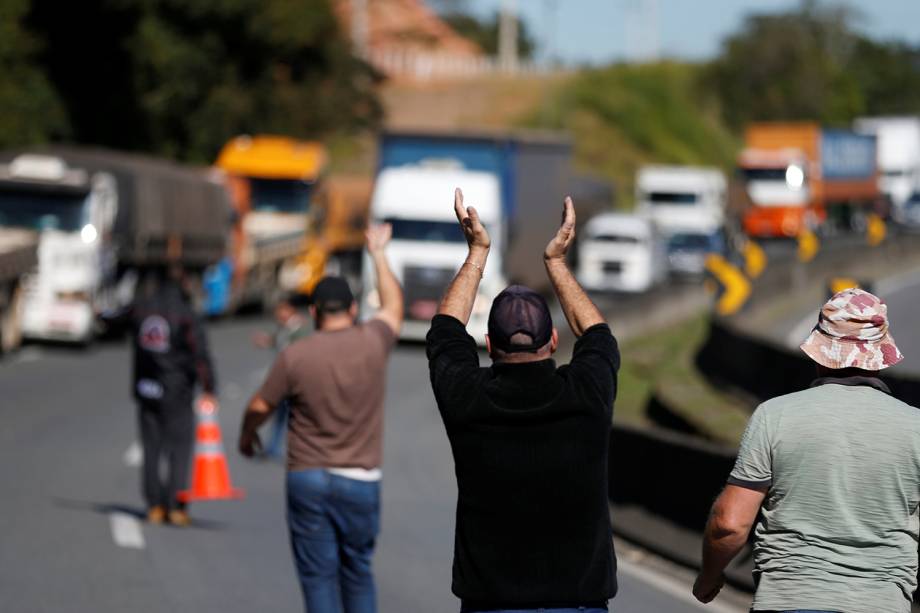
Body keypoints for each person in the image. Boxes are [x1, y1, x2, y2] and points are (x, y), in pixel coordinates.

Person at [426, 189, 619, 613]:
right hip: (579, 604)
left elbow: (444, 330)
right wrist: (556, 263)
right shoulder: (588, 392)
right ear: (553, 341)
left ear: (489, 344)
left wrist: (478, 252)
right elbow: (597, 335)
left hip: (492, 603)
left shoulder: (467, 397)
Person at [694, 288, 918, 613]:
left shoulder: (775, 415)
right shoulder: (915, 427)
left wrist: (709, 575)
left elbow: (729, 523)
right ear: (880, 356)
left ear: (818, 353)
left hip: (791, 599)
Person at [238, 224, 402, 613]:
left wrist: (247, 436)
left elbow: (260, 406)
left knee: (318, 577)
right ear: (351, 309)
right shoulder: (373, 342)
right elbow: (394, 306)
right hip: (360, 479)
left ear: (313, 312)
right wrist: (378, 253)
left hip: (307, 477)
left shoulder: (296, 355)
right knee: (357, 571)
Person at [130, 266, 217, 527]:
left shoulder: (141, 309)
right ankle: (176, 505)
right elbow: (200, 354)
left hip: (146, 388)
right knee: (179, 450)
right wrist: (210, 388)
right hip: (176, 391)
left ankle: (154, 505)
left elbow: (114, 317)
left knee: (151, 449)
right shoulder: (185, 314)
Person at [251, 299, 310, 458]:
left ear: (290, 310)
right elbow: (278, 340)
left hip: (294, 379)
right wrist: (266, 341)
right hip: (283, 379)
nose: (278, 316)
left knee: (295, 416)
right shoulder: (285, 327)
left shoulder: (301, 328)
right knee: (280, 415)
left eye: (281, 312)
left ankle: (295, 449)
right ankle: (273, 447)